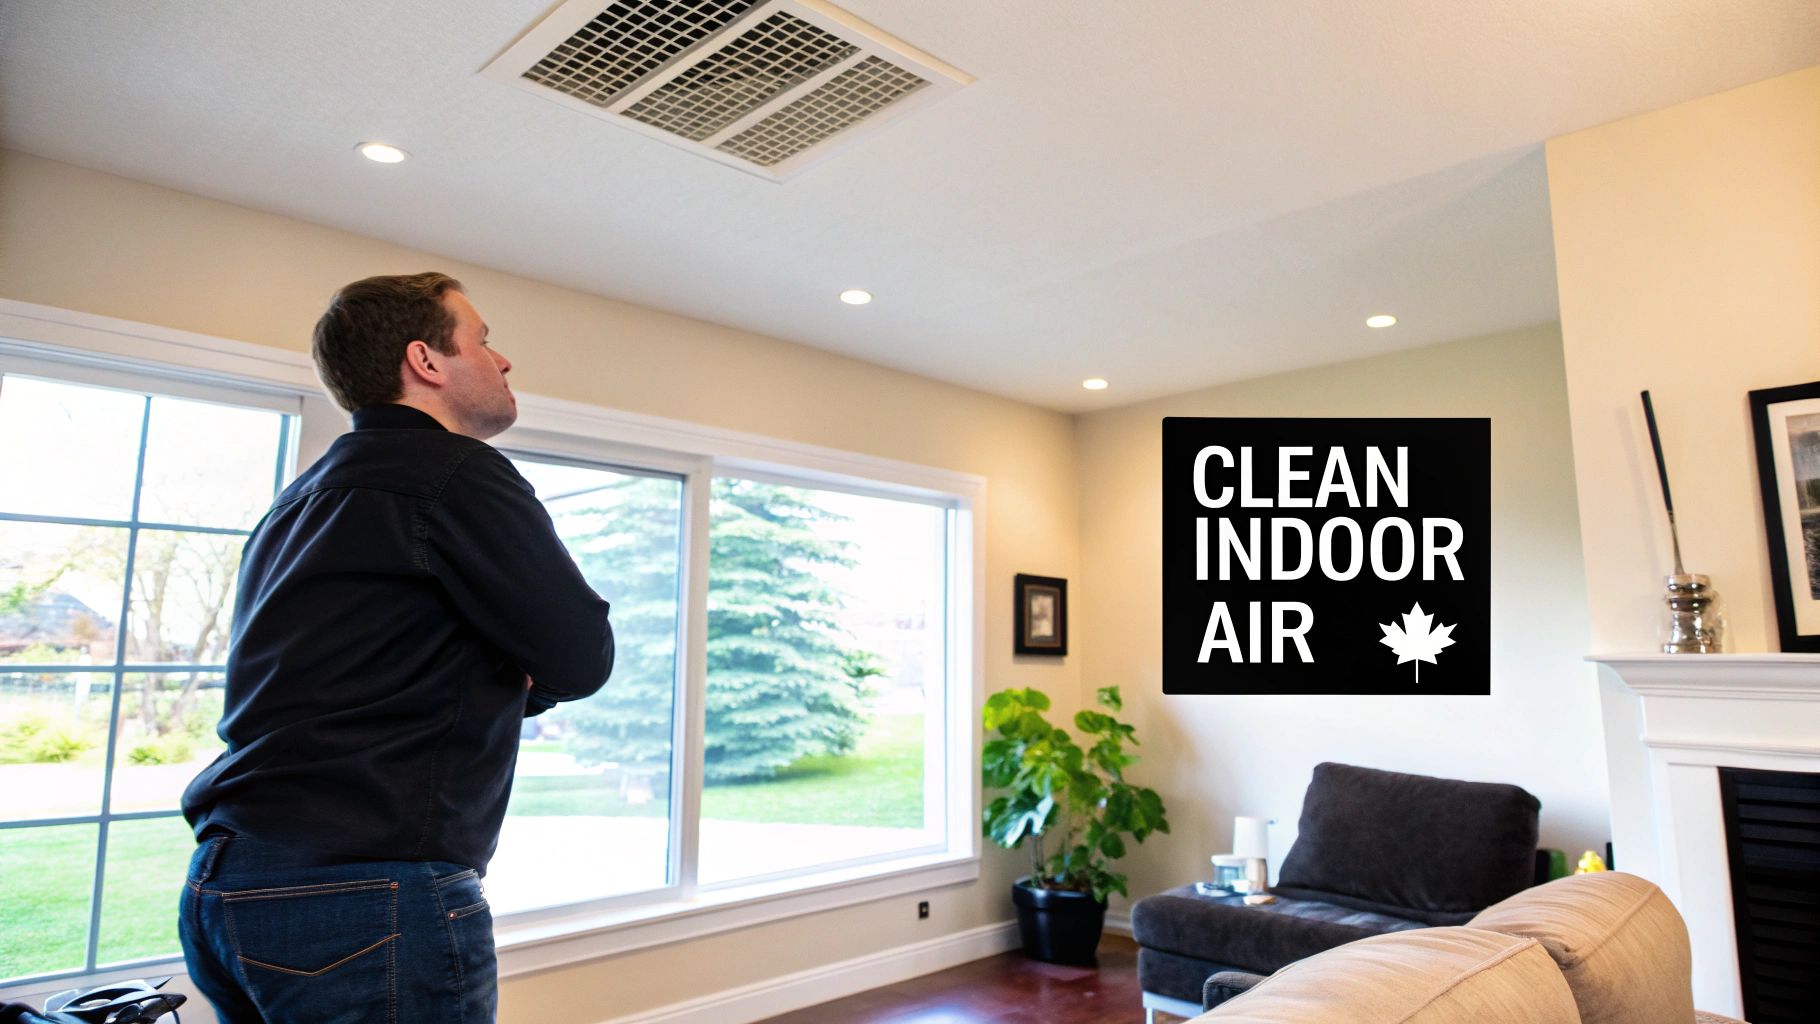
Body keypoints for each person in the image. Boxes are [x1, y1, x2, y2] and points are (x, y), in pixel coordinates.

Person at [177, 272, 614, 1023]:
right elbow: (580, 656)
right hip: (364, 894)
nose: (503, 360)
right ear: (426, 360)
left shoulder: (298, 502)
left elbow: (357, 665)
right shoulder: (455, 472)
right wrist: (516, 675)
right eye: (483, 340)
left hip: (225, 883)